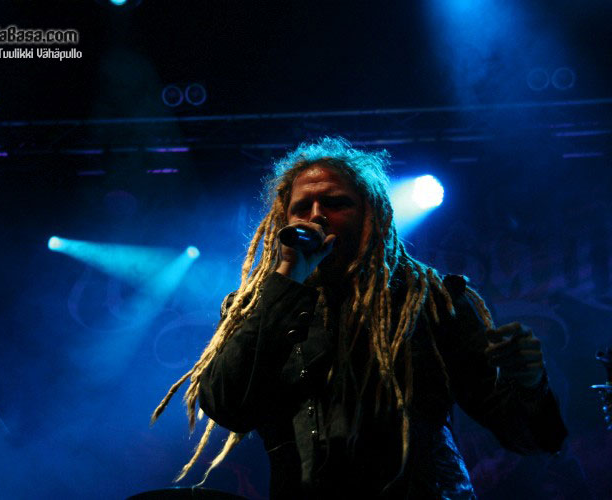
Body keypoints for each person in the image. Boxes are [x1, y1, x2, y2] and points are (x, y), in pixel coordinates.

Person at [151, 137, 568, 498]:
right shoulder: (256, 306)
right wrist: (286, 281)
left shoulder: (430, 300)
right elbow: (227, 406)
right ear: (283, 220)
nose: (316, 215)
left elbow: (530, 438)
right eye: (302, 207)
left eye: (336, 204)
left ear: (372, 215)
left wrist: (530, 384)